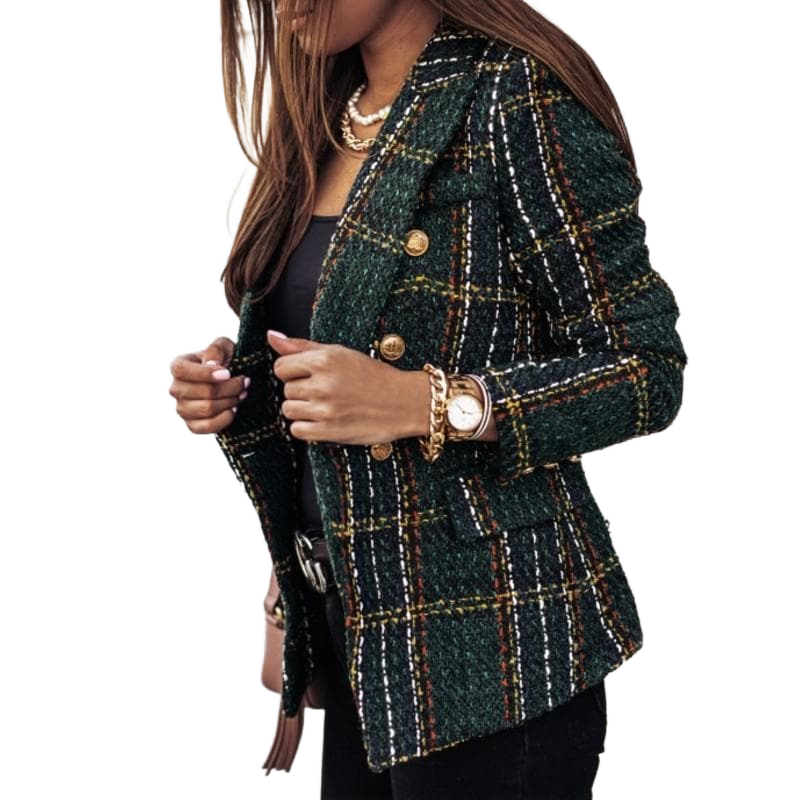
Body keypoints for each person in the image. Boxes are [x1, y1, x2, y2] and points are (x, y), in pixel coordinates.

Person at [168, 1, 689, 797]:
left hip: (497, 651)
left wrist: (428, 403)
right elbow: (338, 354)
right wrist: (235, 388)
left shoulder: (514, 95)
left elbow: (645, 370)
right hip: (367, 643)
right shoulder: (324, 114)